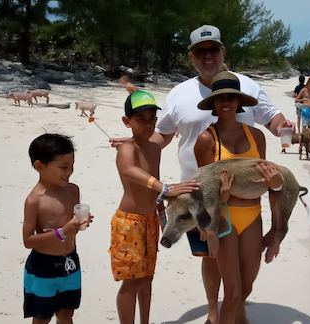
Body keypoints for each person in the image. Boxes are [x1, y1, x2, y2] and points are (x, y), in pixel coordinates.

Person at [110, 24, 292, 323]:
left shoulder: (247, 86)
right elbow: (162, 134)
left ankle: (232, 307)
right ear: (191, 56)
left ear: (223, 51)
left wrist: (284, 126)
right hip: (198, 195)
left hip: (245, 199)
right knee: (210, 256)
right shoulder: (181, 93)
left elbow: (272, 119)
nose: (208, 56)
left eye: (213, 49)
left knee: (240, 274)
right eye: (200, 51)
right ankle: (213, 309)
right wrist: (135, 142)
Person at [194, 71, 285, 324]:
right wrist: (209, 231)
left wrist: (276, 228)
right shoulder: (205, 140)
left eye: (231, 98)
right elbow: (202, 191)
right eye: (220, 98)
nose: (226, 103)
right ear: (212, 102)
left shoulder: (257, 137)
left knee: (245, 290)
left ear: (239, 101)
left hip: (253, 217)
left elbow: (268, 185)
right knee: (233, 292)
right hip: (224, 218)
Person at [110, 90, 199, 324]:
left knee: (147, 277)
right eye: (141, 120)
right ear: (126, 121)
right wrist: (164, 187)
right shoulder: (126, 149)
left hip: (150, 219)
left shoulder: (154, 145)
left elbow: (166, 137)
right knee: (132, 282)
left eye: (152, 119)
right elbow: (130, 170)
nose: (148, 125)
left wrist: (162, 211)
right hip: (129, 222)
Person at [23, 133, 92, 323]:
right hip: (43, 266)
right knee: (42, 317)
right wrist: (63, 231)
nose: (69, 172)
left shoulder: (73, 190)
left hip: (70, 261)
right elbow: (28, 241)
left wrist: (79, 224)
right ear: (39, 166)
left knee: (66, 314)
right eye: (63, 167)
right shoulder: (34, 200)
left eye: (72, 165)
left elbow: (72, 226)